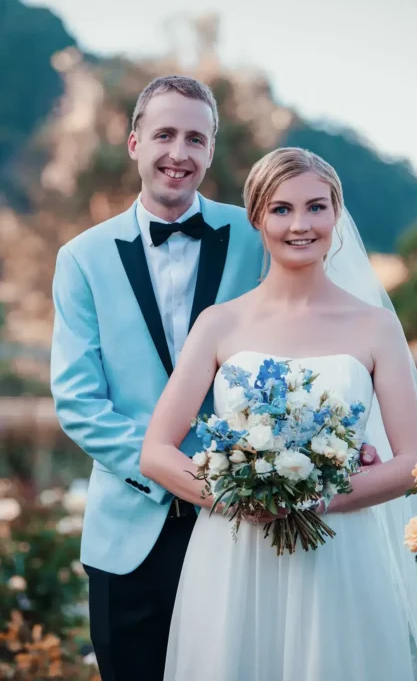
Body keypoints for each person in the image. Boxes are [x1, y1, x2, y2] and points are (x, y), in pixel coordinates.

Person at [140, 148, 417, 681]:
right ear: (257, 217)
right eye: (281, 209)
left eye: (316, 207)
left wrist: (322, 498)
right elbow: (155, 453)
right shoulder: (218, 324)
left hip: (340, 558)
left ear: (336, 214)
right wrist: (238, 496)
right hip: (233, 557)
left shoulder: (376, 327)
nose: (300, 225)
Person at [50, 75, 265, 680]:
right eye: (165, 134)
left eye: (196, 139)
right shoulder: (81, 258)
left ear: (211, 151)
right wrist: (170, 473)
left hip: (240, 526)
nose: (179, 153)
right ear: (133, 143)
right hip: (130, 531)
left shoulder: (257, 238)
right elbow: (78, 401)